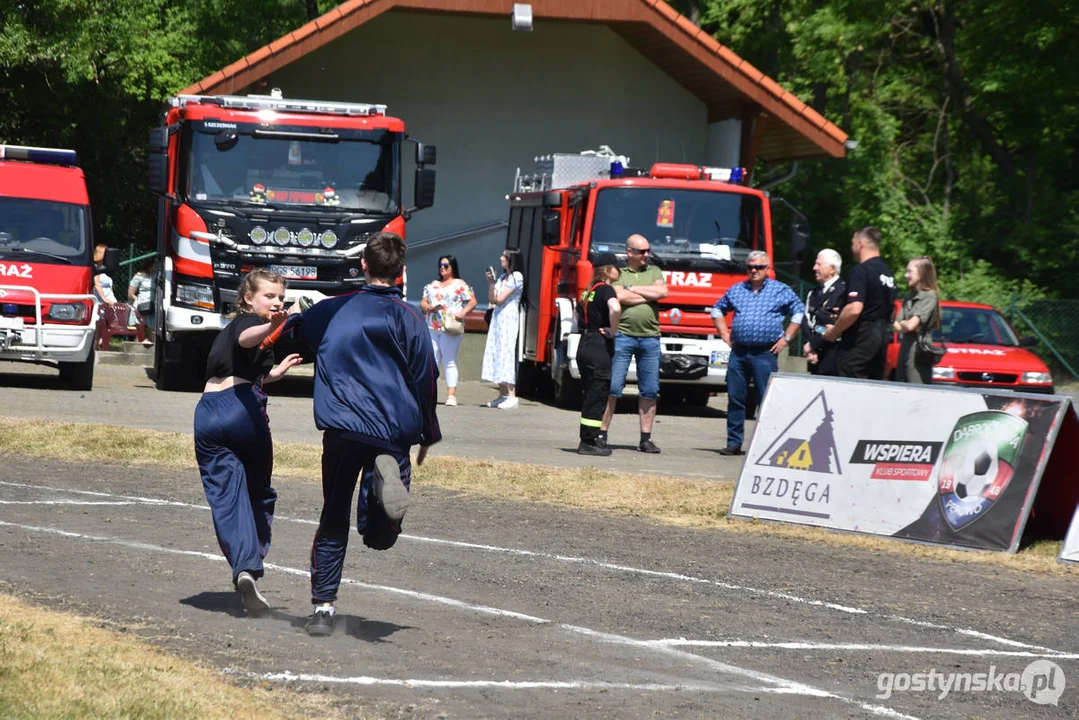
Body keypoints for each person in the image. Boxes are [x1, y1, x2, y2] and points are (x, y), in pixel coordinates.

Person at [289, 231, 440, 637]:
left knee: (333, 514)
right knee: (378, 537)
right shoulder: (410, 318)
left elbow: (295, 334)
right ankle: (381, 500)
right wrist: (429, 430)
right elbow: (426, 375)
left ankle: (323, 609)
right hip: (391, 430)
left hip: (341, 426)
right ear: (402, 272)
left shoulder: (334, 310)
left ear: (362, 267)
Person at [192, 269, 304, 618]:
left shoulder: (241, 332)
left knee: (226, 497)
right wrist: (271, 325)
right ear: (247, 299)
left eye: (279, 297)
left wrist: (273, 374)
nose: (276, 302)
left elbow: (242, 363)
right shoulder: (246, 323)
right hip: (242, 412)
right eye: (268, 296)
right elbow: (248, 338)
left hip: (208, 414)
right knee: (258, 495)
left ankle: (243, 569)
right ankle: (250, 563)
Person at [711, 251, 804, 456]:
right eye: (750, 267)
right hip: (740, 352)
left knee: (766, 399)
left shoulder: (780, 290)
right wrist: (724, 333)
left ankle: (766, 445)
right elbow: (717, 310)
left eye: (759, 267)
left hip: (765, 353)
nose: (754, 270)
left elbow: (799, 311)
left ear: (768, 269)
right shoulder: (737, 290)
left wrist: (786, 338)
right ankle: (733, 443)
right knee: (736, 398)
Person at [601, 234, 668, 454]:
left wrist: (632, 290)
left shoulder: (654, 271)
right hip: (622, 336)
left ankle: (646, 438)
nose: (647, 255)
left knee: (649, 389)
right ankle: (601, 434)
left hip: (650, 338)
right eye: (642, 251)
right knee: (613, 387)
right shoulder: (618, 272)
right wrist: (648, 294)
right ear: (629, 252)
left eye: (648, 251)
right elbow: (617, 296)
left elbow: (663, 292)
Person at [822, 227, 897, 379]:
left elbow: (854, 309)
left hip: (860, 339)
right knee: (873, 386)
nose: (851, 248)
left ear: (860, 244)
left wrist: (834, 331)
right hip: (882, 338)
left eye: (852, 243)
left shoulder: (861, 270)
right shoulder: (888, 274)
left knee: (849, 384)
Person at [575, 252, 621, 456]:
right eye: (617, 267)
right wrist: (614, 330)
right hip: (599, 345)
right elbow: (615, 307)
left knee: (590, 393)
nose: (620, 270)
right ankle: (589, 441)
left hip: (584, 342)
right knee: (598, 394)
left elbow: (577, 316)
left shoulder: (588, 291)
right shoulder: (606, 289)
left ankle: (589, 438)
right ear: (608, 270)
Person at [420, 254, 477, 407]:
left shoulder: (459, 283)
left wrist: (462, 313)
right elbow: (423, 302)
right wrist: (428, 307)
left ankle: (451, 395)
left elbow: (472, 301)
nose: (442, 268)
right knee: (432, 360)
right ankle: (428, 393)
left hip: (450, 326)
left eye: (446, 265)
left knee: (449, 360)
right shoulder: (434, 284)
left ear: (452, 267)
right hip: (433, 325)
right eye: (440, 265)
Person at [481, 248, 525, 409]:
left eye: (504, 256)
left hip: (509, 318)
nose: (501, 258)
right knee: (497, 351)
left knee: (506, 353)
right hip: (498, 318)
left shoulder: (516, 277)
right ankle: (503, 393)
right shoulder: (502, 277)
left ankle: (512, 396)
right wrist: (492, 283)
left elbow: (500, 299)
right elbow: (492, 299)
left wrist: (494, 287)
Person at [894, 255, 941, 384]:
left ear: (921, 273)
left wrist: (904, 324)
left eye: (909, 271)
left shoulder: (929, 296)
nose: (905, 275)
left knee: (916, 389)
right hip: (906, 347)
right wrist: (904, 325)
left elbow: (909, 326)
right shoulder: (910, 296)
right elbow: (897, 326)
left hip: (918, 350)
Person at [801, 249, 846, 375]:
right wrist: (809, 347)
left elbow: (833, 324)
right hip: (814, 357)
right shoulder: (813, 293)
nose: (814, 268)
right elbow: (806, 320)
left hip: (833, 356)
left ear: (832, 269)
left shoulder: (843, 291)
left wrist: (813, 344)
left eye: (819, 264)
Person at [128, 258, 156, 345]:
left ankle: (151, 342)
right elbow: (131, 293)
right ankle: (137, 345)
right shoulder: (139, 276)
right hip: (142, 303)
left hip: (153, 304)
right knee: (140, 328)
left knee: (152, 327)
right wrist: (138, 300)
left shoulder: (157, 275)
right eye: (155, 264)